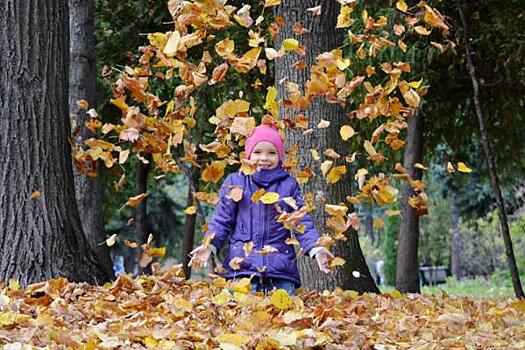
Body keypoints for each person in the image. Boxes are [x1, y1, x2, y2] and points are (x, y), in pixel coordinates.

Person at [189, 124, 332, 295]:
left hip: (280, 271)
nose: (264, 158)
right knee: (238, 316)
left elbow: (302, 222)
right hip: (241, 268)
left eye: (271, 153)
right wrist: (209, 245)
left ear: (279, 156)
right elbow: (221, 221)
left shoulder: (289, 185)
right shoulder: (236, 181)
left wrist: (316, 249)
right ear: (249, 154)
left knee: (283, 316)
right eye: (257, 152)